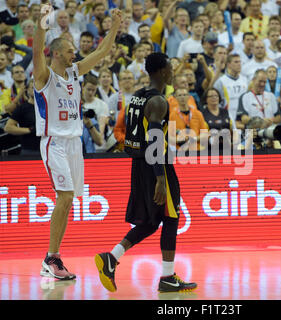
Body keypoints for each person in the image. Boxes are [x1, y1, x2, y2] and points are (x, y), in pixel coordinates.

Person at [95, 52, 197, 293]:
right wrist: (160, 178)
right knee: (171, 218)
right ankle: (167, 277)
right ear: (162, 71)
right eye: (171, 67)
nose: (173, 72)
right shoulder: (158, 102)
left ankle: (112, 257)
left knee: (152, 221)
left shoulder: (137, 97)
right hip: (156, 166)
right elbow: (153, 141)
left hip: (139, 165)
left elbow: (131, 138)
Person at [33, 5, 122, 280]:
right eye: (71, 50)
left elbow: (102, 52)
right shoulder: (44, 75)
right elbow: (38, 50)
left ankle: (54, 257)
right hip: (54, 142)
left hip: (74, 144)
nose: (76, 54)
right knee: (66, 196)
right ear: (57, 52)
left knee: (69, 200)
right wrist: (43, 21)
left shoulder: (75, 72)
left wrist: (115, 26)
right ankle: (51, 258)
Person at [3, 79, 40, 155]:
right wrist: (29, 130)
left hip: (48, 148)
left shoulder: (49, 107)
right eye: (33, 88)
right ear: (27, 90)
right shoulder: (22, 108)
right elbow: (8, 128)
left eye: (39, 88)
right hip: (29, 149)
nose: (36, 91)